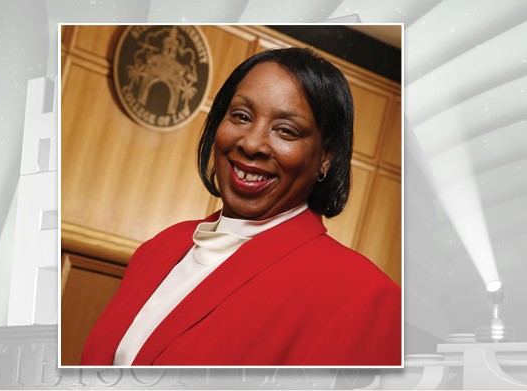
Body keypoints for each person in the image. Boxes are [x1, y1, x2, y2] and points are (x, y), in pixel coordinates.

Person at [80, 47, 401, 366]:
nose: (251, 143)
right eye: (241, 116)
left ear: (326, 157)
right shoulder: (162, 246)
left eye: (286, 131)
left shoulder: (362, 295)